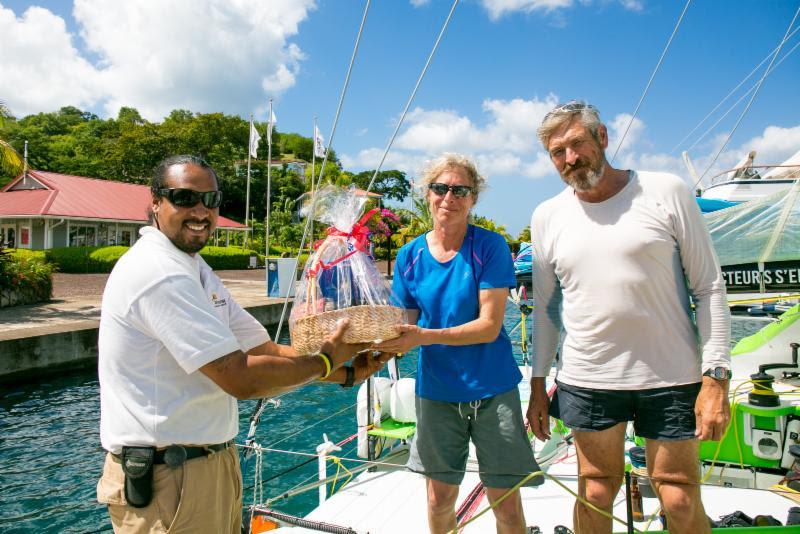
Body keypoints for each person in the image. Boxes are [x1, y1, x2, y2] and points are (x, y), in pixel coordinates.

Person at [96, 155, 388, 533]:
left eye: (211, 200)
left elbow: (262, 350)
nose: (200, 211)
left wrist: (347, 372)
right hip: (169, 479)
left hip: (206, 465)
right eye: (184, 198)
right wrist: (327, 363)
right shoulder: (158, 272)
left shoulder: (194, 269)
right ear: (155, 202)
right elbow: (240, 378)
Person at [527, 101, 731, 533]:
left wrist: (716, 378)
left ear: (602, 137)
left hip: (671, 376)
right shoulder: (547, 215)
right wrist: (538, 384)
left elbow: (709, 286)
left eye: (577, 144)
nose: (570, 159)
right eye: (557, 152)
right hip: (589, 377)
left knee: (677, 497)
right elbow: (546, 308)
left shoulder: (666, 190)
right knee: (596, 492)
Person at [375, 153, 542, 534]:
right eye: (440, 188)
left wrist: (423, 338)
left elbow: (488, 325)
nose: (449, 197)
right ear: (427, 194)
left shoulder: (489, 247)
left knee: (505, 501)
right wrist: (364, 338)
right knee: (438, 500)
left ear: (473, 199)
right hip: (437, 393)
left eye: (460, 190)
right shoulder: (409, 255)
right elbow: (404, 326)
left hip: (492, 390)